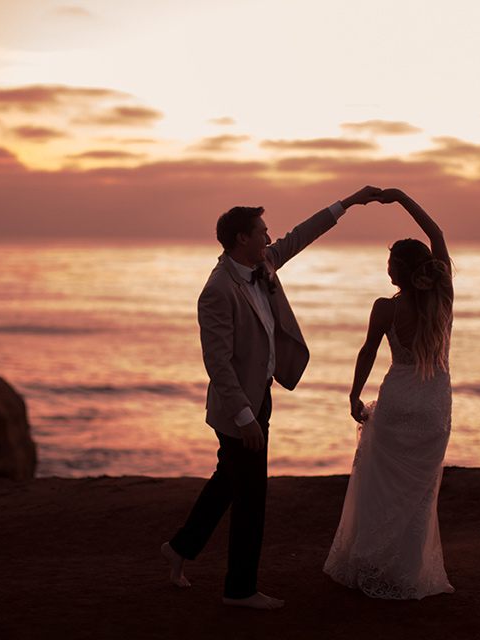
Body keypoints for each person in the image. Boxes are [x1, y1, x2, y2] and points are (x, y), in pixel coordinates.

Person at [162, 186, 383, 610]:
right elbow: (218, 363)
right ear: (242, 238)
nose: (269, 237)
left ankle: (178, 549)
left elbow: (300, 236)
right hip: (237, 410)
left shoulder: (262, 263)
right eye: (262, 231)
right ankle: (239, 590)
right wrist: (245, 417)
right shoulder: (217, 290)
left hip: (261, 397)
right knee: (250, 497)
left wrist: (349, 203)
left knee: (227, 482)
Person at [323, 188, 456, 599]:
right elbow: (436, 233)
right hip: (433, 404)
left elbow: (367, 352)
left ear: (398, 270)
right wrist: (401, 198)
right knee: (419, 495)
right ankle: (406, 573)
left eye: (389, 263)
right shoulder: (443, 298)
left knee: (381, 487)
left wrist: (353, 395)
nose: (386, 269)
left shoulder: (385, 307)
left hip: (397, 402)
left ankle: (372, 561)